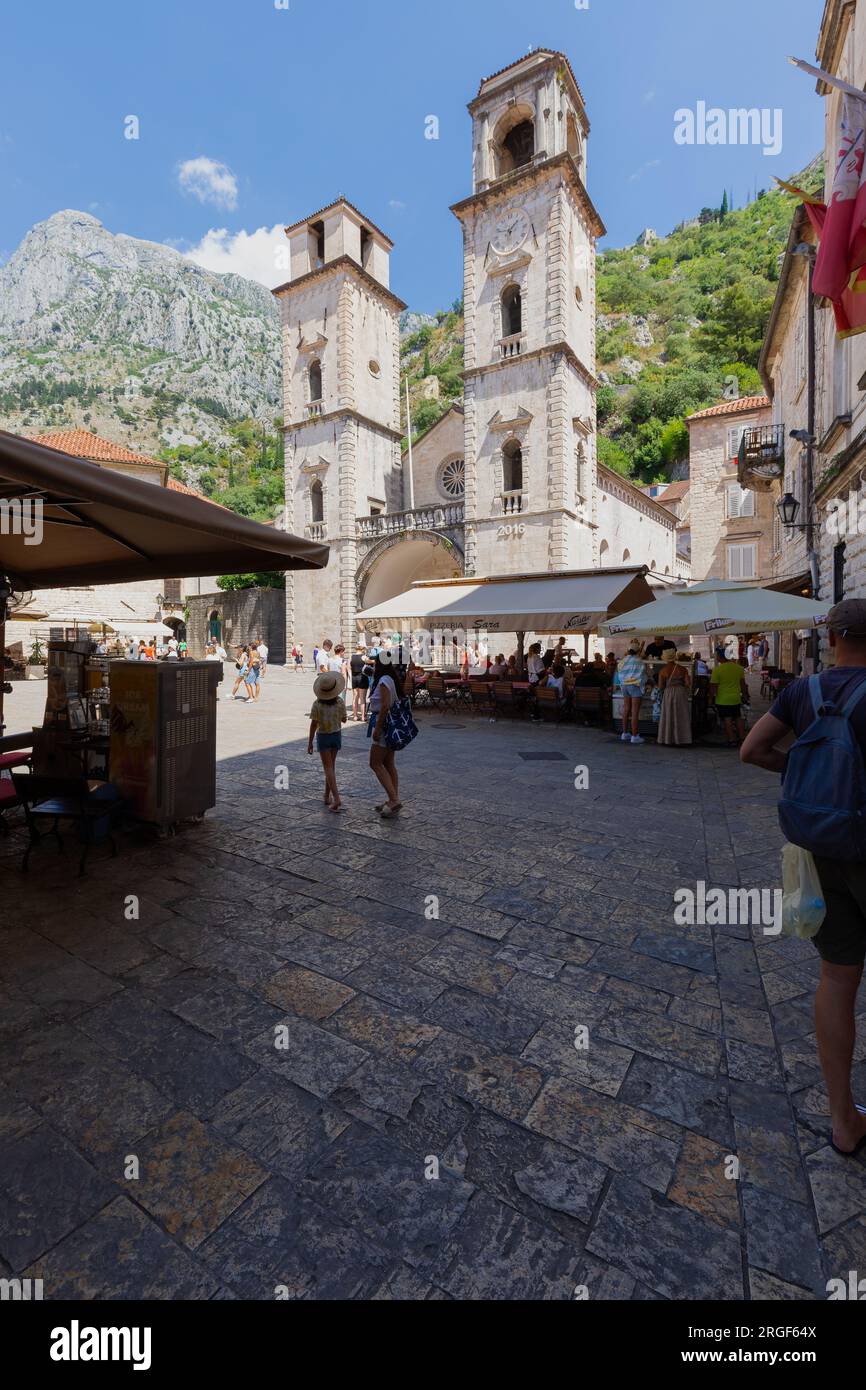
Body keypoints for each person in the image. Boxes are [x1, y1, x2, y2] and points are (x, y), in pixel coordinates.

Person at [740, 600, 866, 1158]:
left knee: (837, 979)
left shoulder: (803, 692)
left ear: (832, 637)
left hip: (817, 847)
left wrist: (800, 773)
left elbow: (751, 749)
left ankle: (843, 1120)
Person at [367, 652, 405, 819]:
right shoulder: (391, 679)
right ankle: (392, 799)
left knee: (375, 763)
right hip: (390, 726)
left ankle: (394, 799)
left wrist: (377, 728)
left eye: (375, 663)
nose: (374, 665)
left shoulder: (383, 681)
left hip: (383, 725)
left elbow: (384, 706)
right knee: (389, 763)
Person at [308, 670, 347, 813]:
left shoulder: (317, 704)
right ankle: (326, 795)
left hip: (324, 736)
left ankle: (336, 798)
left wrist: (310, 742)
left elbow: (313, 724)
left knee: (328, 768)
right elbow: (344, 719)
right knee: (331, 767)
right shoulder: (340, 702)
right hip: (336, 735)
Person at [710, 647, 748, 746]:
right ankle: (742, 738)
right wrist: (744, 695)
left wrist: (710, 699)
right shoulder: (738, 668)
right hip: (736, 698)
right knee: (738, 717)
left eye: (717, 655)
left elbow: (713, 687)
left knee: (727, 719)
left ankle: (732, 740)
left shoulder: (717, 670)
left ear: (721, 657)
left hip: (723, 699)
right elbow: (743, 684)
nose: (716, 657)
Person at [657, 647, 692, 747]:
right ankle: (682, 739)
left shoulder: (663, 671)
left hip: (668, 693)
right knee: (681, 715)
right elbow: (687, 683)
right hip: (680, 692)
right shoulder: (683, 669)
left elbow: (660, 687)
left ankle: (668, 738)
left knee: (668, 715)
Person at [618, 639, 647, 745]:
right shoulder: (639, 660)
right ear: (637, 650)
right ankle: (634, 736)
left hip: (624, 686)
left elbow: (619, 674)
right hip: (635, 686)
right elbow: (643, 675)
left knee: (626, 709)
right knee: (635, 712)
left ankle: (625, 733)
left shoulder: (623, 660)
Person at [349, 643, 369, 721]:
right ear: (362, 649)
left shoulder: (351, 657)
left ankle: (355, 716)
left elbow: (348, 668)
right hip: (362, 678)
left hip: (354, 678)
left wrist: (351, 677)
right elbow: (371, 662)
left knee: (355, 697)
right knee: (362, 698)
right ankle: (363, 717)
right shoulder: (364, 657)